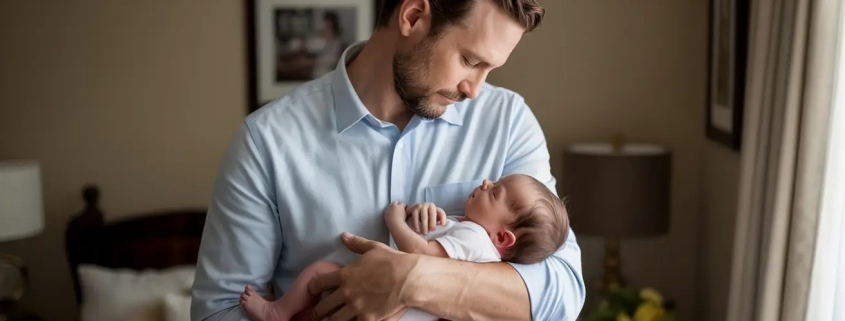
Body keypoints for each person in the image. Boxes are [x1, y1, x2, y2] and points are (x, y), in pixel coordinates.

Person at [190, 0, 586, 320]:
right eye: (470, 60)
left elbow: (560, 291)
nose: (475, 90)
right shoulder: (267, 141)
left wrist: (412, 279)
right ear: (413, 16)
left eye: (489, 69)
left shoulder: (507, 121)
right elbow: (220, 310)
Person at [237, 174, 570, 321]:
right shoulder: (475, 241)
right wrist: (426, 215)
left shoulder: (474, 237)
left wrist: (396, 220)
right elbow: (439, 244)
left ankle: (277, 312)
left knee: (321, 273)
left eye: (495, 192)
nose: (485, 182)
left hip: (391, 310)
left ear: (503, 239)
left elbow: (422, 256)